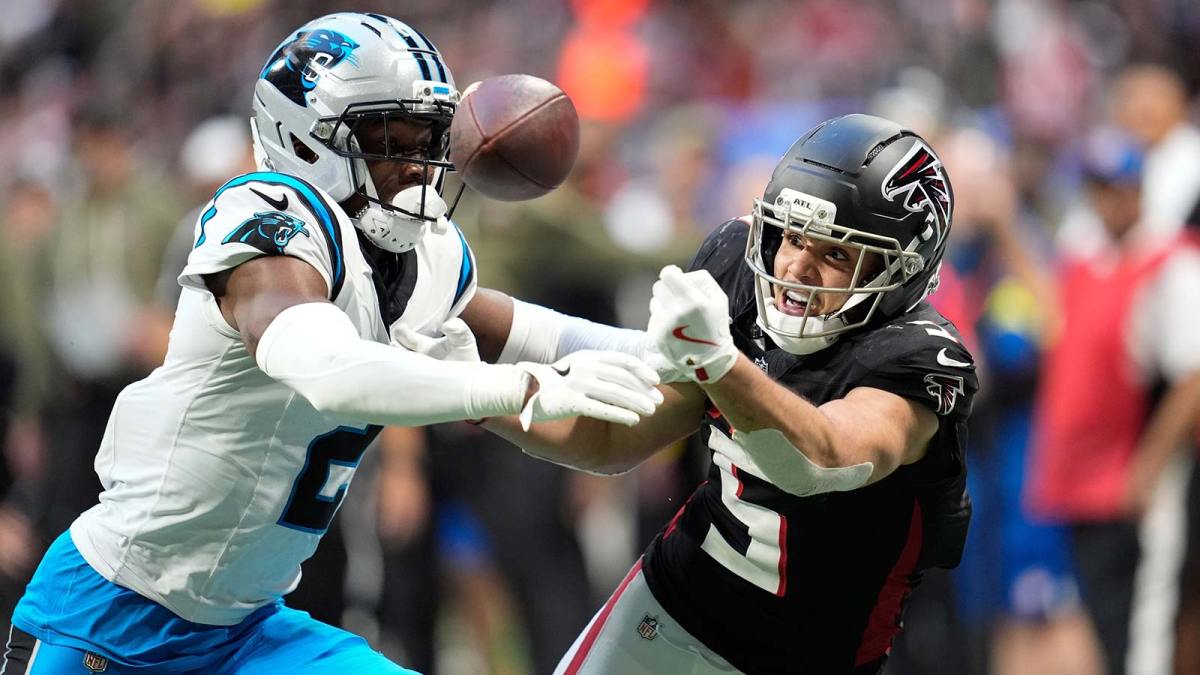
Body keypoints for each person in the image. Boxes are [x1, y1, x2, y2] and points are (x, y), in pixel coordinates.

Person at [4, 13, 664, 674]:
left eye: (428, 139)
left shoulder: (424, 258)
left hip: (249, 630)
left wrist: (669, 349)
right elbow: (324, 366)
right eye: (390, 139)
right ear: (305, 139)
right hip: (112, 614)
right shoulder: (269, 222)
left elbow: (530, 329)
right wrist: (520, 385)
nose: (416, 165)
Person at [470, 114, 979, 674]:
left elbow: (822, 460)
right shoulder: (739, 262)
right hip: (673, 602)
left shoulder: (920, 357)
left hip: (810, 659)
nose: (796, 268)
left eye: (836, 254)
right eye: (791, 236)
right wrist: (468, 384)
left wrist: (720, 362)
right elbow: (613, 438)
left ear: (900, 270)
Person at [1025, 129, 1200, 675]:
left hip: (1137, 482)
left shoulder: (1170, 263)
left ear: (1139, 192)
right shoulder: (1087, 259)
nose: (1107, 201)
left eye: (1117, 188)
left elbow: (1193, 377)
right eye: (1098, 189)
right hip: (1082, 483)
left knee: (1146, 632)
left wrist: (1147, 469)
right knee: (1107, 622)